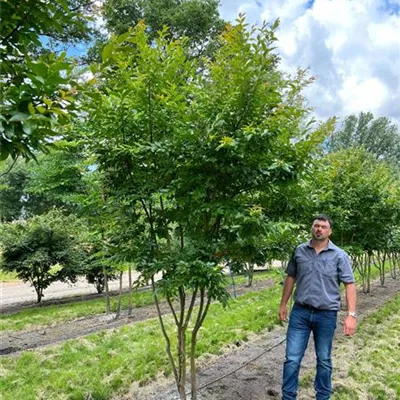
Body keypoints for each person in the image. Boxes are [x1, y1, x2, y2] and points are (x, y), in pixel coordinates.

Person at [279, 214, 357, 400]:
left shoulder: (339, 255)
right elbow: (291, 277)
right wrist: (283, 304)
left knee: (324, 360)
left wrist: (351, 314)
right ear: (312, 228)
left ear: (330, 231)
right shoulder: (299, 251)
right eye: (316, 226)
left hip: (326, 314)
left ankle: (323, 396)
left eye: (323, 226)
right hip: (300, 312)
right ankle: (288, 397)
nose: (319, 229)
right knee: (292, 359)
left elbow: (349, 284)